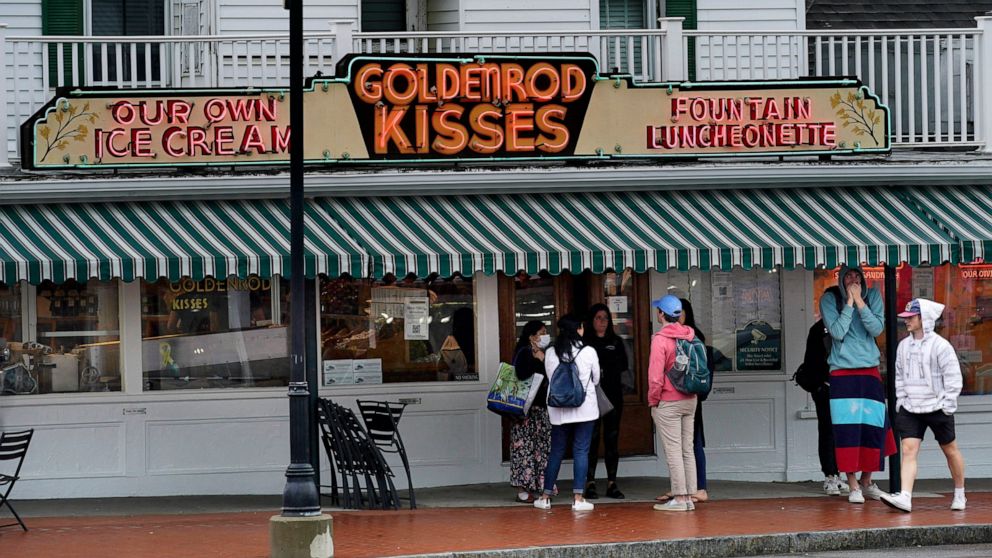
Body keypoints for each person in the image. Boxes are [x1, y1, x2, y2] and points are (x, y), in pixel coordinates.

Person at [819, 265, 896, 505]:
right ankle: (852, 484)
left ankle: (866, 480)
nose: (853, 279)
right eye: (848, 276)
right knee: (847, 431)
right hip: (842, 372)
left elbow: (877, 328)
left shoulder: (872, 296)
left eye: (857, 275)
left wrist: (861, 302)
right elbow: (838, 332)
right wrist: (850, 303)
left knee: (875, 427)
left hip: (869, 370)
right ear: (841, 279)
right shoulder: (830, 299)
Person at [880, 299, 966, 513]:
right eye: (906, 317)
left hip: (937, 407)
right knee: (908, 450)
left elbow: (953, 377)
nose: (906, 321)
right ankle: (905, 497)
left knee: (950, 450)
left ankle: (959, 492)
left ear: (924, 318)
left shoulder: (941, 346)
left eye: (911, 317)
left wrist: (947, 405)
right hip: (911, 408)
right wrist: (901, 400)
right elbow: (899, 375)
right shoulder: (903, 346)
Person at [534, 314, 599, 512]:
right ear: (578, 329)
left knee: (556, 451)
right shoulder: (588, 351)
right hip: (585, 409)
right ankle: (578, 498)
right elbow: (596, 379)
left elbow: (550, 377)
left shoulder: (551, 352)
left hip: (558, 410)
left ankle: (545, 497)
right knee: (581, 451)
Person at [648, 295, 698, 512]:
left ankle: (679, 497)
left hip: (669, 400)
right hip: (690, 399)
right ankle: (689, 497)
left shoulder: (660, 340)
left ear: (661, 314)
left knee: (673, 450)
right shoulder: (689, 335)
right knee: (687, 449)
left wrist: (653, 400)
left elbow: (655, 377)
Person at [801, 300, 849, 497]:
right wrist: (821, 384)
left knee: (842, 432)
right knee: (827, 430)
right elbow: (812, 361)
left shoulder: (847, 327)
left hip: (844, 385)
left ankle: (840, 473)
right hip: (826, 387)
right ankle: (830, 474)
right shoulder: (818, 330)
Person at [583, 304, 629, 500]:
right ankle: (590, 482)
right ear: (591, 320)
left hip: (613, 396)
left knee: (612, 439)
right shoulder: (585, 342)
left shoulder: (616, 342)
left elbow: (624, 365)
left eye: (605, 318)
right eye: (598, 318)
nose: (602, 322)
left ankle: (612, 482)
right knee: (591, 439)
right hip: (590, 397)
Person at [509, 320, 552, 503]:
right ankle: (522, 490)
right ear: (531, 336)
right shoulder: (524, 352)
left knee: (541, 449)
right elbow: (521, 374)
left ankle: (541, 486)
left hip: (541, 409)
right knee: (524, 449)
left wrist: (543, 359)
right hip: (525, 411)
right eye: (541, 333)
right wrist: (537, 359)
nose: (545, 336)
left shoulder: (545, 354)